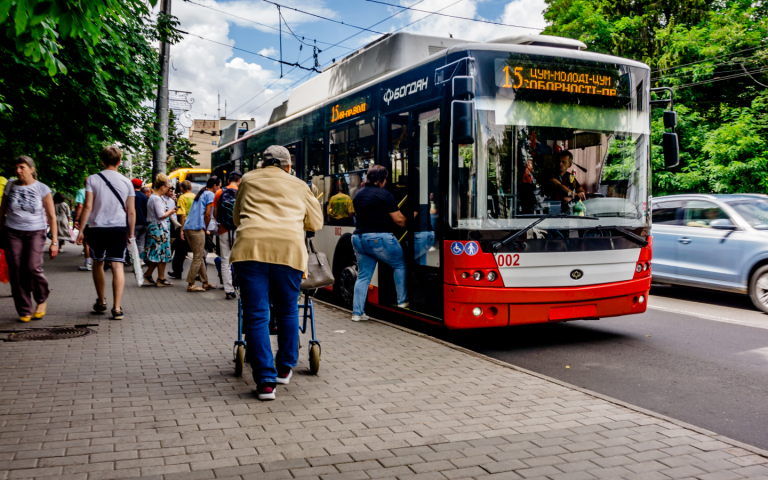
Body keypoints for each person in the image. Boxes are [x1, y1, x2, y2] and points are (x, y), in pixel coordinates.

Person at [231, 145, 323, 400]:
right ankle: (284, 368)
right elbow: (315, 223)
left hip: (250, 250)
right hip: (288, 252)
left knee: (256, 314)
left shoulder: (247, 180)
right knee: (287, 310)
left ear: (262, 164)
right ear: (288, 166)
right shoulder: (299, 185)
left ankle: (265, 382)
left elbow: (238, 218)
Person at [76, 146, 136, 320]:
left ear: (102, 161)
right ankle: (117, 308)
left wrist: (80, 230)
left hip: (97, 228)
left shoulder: (93, 180)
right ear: (119, 162)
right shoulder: (127, 182)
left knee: (98, 262)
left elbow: (87, 206)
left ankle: (101, 301)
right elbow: (131, 212)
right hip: (118, 228)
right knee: (117, 266)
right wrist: (130, 233)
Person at [0, 156, 58, 322]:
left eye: (22, 167)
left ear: (32, 169)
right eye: (16, 167)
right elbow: (2, 210)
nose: (18, 171)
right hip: (12, 232)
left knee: (32, 267)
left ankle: (41, 299)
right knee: (16, 269)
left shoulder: (42, 188)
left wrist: (54, 242)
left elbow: (52, 217)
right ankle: (24, 309)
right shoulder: (10, 185)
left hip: (35, 232)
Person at [350, 165, 408, 322]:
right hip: (379, 238)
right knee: (399, 265)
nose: (386, 181)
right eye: (386, 178)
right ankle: (402, 302)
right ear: (382, 179)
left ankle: (357, 312)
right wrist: (414, 226)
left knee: (363, 276)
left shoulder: (358, 194)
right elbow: (399, 219)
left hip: (358, 238)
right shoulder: (385, 194)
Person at [182, 176, 220, 292]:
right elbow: (208, 214)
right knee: (198, 257)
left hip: (188, 227)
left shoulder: (202, 193)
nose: (219, 188)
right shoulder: (210, 195)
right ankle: (191, 283)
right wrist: (206, 228)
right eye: (219, 186)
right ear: (214, 186)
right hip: (197, 227)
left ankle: (205, 282)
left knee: (199, 255)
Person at [141, 174, 176, 286]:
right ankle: (160, 278)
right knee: (161, 254)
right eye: (167, 188)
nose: (167, 190)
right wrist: (170, 211)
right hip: (159, 229)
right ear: (162, 187)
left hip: (156, 228)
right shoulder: (156, 198)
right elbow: (161, 215)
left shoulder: (154, 197)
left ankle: (149, 274)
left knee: (157, 254)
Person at [213, 171, 242, 299]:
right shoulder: (243, 192)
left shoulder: (219, 193)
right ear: (239, 180)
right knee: (241, 260)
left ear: (228, 180)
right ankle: (243, 288)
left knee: (225, 261)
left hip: (224, 230)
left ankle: (229, 290)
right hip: (240, 230)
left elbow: (215, 214)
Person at [169, 180, 194, 279]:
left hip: (185, 226)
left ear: (182, 188)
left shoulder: (182, 197)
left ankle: (177, 271)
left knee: (179, 250)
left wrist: (181, 230)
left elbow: (182, 214)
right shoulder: (195, 196)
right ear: (191, 188)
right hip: (194, 227)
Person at [74, 177, 91, 271]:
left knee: (86, 242)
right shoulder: (97, 192)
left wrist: (77, 219)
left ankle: (88, 263)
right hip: (97, 220)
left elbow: (80, 205)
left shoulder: (82, 191)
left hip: (86, 220)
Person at [132, 179, 149, 263]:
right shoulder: (144, 196)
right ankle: (141, 259)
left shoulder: (131, 196)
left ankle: (134, 260)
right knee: (141, 243)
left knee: (132, 242)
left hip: (135, 223)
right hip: (144, 223)